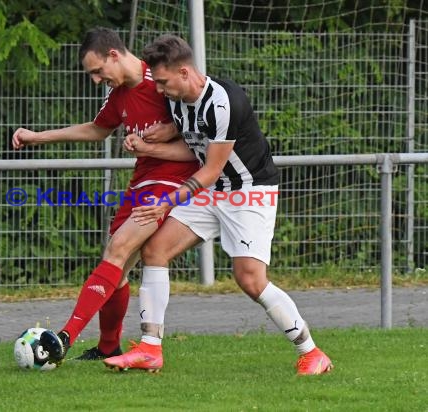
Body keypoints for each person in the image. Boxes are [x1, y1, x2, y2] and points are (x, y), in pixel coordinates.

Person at [103, 34, 333, 375]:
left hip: (249, 191)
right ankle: (150, 348)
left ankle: (312, 353)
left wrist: (166, 203)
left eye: (164, 82)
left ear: (184, 72)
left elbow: (210, 169)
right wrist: (148, 147)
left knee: (250, 279)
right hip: (212, 189)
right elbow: (194, 150)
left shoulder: (225, 102)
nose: (160, 90)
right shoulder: (177, 101)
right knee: (155, 250)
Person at [12, 28, 199, 363]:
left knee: (118, 249)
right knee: (119, 268)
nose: (96, 80)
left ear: (114, 54)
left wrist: (168, 132)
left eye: (98, 71)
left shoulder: (162, 78)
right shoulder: (120, 95)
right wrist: (38, 137)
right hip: (142, 181)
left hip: (173, 182)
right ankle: (109, 346)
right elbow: (98, 129)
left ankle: (64, 338)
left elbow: (201, 120)